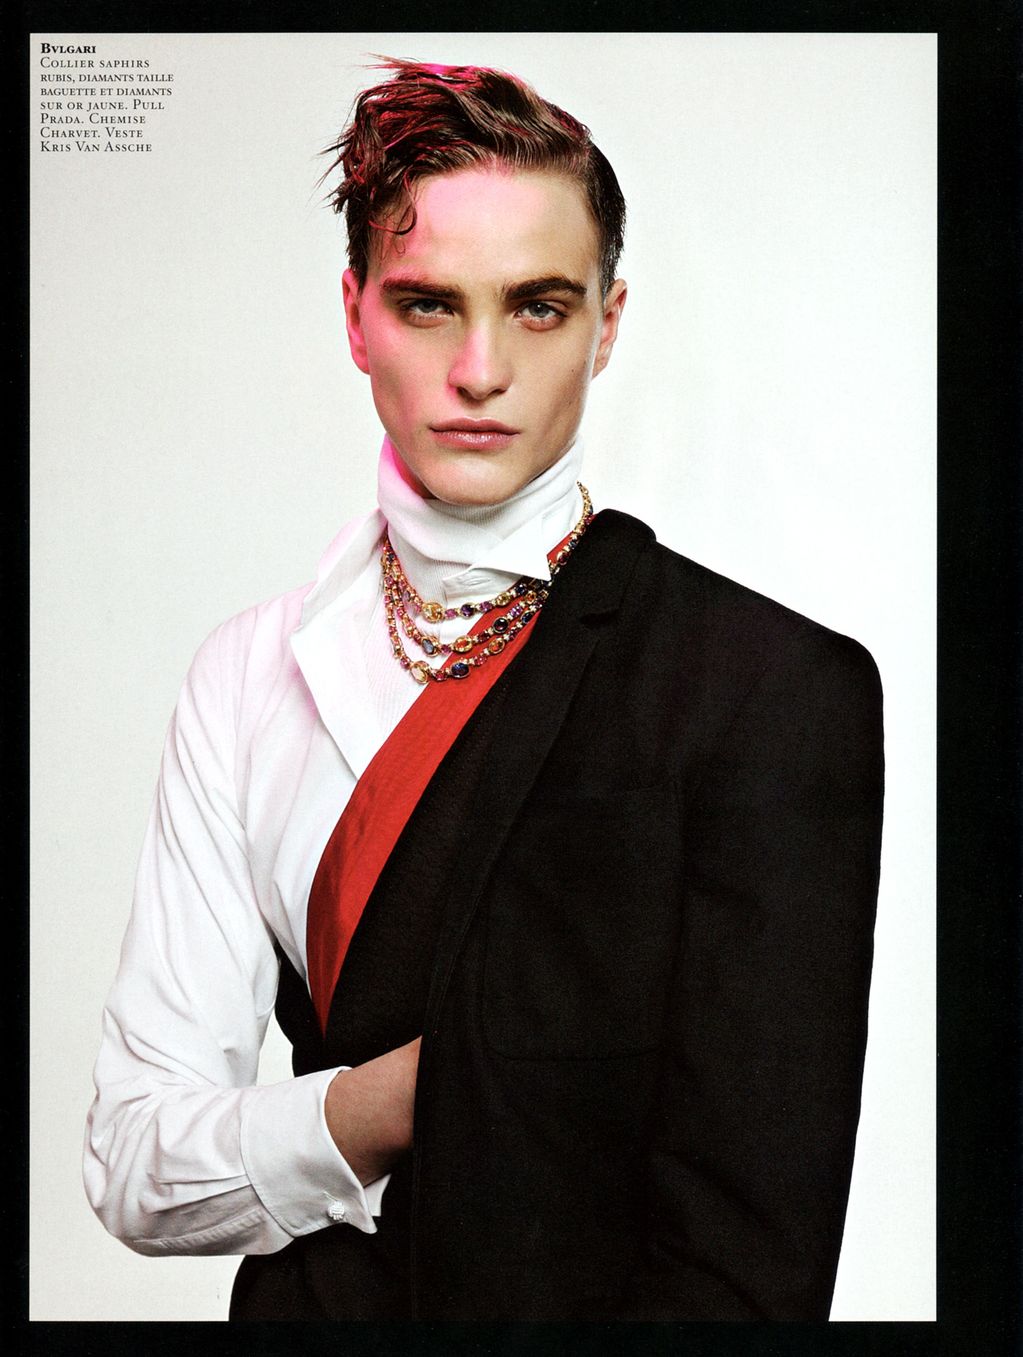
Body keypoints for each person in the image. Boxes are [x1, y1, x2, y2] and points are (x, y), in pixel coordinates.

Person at [84, 59, 884, 1321]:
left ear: (608, 324)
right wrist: (404, 1098)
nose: (479, 367)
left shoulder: (769, 689)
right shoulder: (247, 675)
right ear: (355, 316)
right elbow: (135, 1161)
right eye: (427, 305)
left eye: (538, 306)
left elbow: (749, 1273)